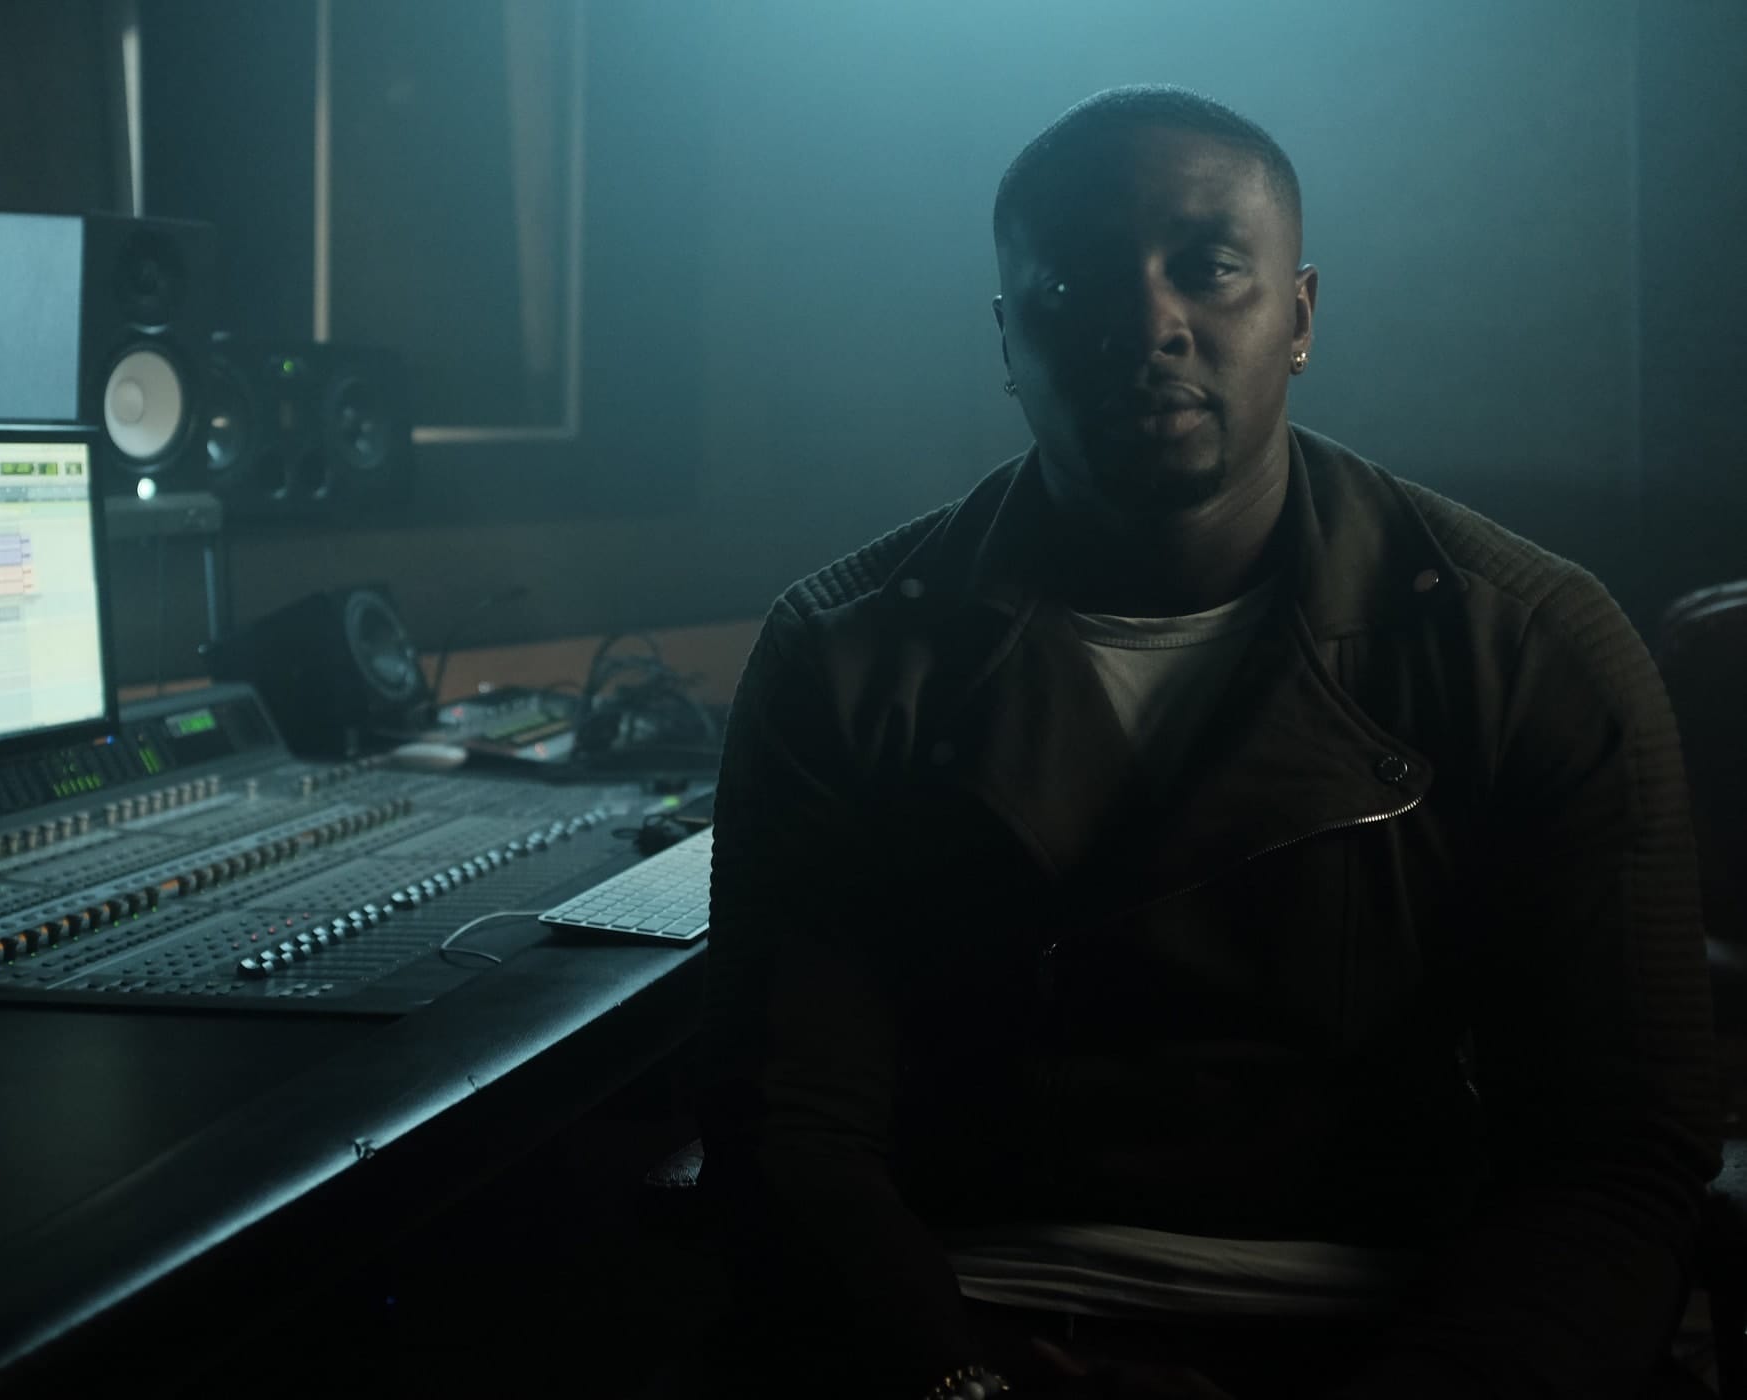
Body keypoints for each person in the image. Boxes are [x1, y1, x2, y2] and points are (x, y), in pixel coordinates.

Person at [696, 85, 1718, 1399]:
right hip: (962, 1321)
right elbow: (788, 1131)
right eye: (1073, 283)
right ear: (1009, 339)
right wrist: (956, 1385)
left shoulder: (1531, 645)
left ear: (1298, 316)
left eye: (1209, 267)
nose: (1148, 324)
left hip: (1396, 1328)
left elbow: (1619, 1153)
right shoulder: (842, 653)